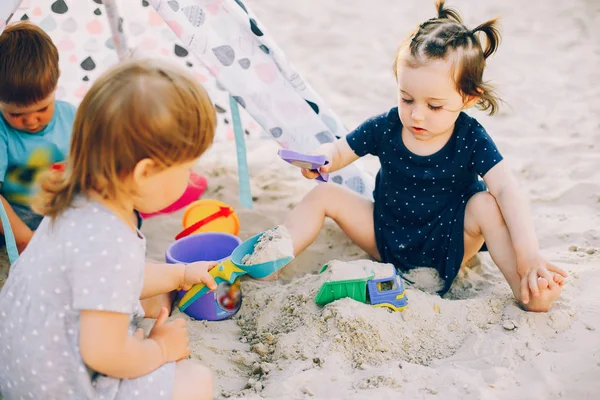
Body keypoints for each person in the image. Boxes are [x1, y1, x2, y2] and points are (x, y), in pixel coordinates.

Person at [282, 0, 567, 312]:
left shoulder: (470, 138)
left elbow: (506, 190)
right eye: (407, 98)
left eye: (434, 106)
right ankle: (271, 258)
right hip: (385, 235)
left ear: (468, 99)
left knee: (486, 203)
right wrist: (322, 160)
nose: (416, 115)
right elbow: (339, 150)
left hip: (450, 243)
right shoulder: (387, 125)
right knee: (325, 194)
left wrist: (528, 251)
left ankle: (525, 283)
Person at [0, 59, 218, 399]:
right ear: (144, 172)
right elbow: (104, 353)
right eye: (187, 167)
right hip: (61, 387)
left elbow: (107, 278)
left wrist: (180, 274)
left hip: (18, 373)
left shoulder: (76, 202)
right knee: (196, 380)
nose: (190, 178)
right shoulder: (111, 239)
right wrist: (160, 350)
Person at [0, 21, 77, 253]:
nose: (31, 121)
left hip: (64, 210)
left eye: (42, 109)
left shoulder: (72, 116)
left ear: (56, 82)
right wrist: (25, 239)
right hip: (16, 220)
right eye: (16, 114)